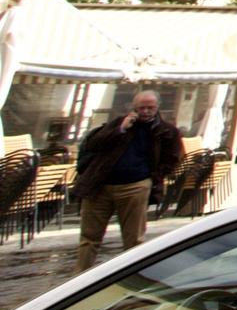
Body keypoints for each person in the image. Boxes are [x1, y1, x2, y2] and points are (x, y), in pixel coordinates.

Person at [74, 91, 185, 272]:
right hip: (101, 186)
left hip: (135, 186)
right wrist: (120, 129)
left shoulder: (166, 131)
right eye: (142, 107)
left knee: (133, 239)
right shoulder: (118, 123)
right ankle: (78, 278)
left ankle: (132, 278)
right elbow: (92, 144)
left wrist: (151, 179)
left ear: (157, 107)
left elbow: (173, 159)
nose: (146, 111)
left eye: (150, 107)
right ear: (134, 107)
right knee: (89, 237)